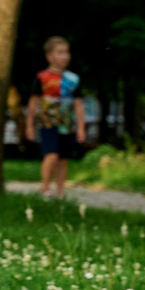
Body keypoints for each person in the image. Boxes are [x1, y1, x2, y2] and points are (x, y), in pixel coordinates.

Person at [24, 35, 88, 198]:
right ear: (49, 56)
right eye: (59, 52)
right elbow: (33, 101)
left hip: (66, 124)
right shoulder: (42, 78)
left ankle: (60, 193)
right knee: (51, 154)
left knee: (63, 158)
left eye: (66, 52)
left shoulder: (73, 79)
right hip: (47, 122)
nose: (64, 56)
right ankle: (45, 188)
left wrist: (81, 127)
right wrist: (29, 124)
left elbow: (78, 104)